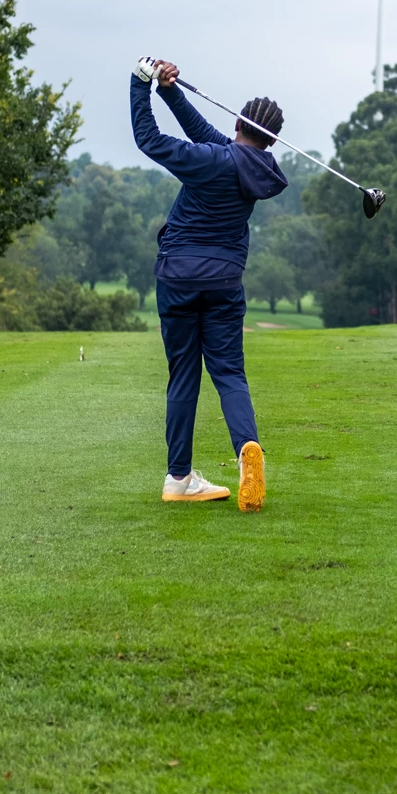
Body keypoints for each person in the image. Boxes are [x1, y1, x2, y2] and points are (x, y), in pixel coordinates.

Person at [129, 57, 288, 510]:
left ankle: (179, 477)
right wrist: (170, 92)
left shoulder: (209, 161)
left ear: (238, 121)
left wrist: (140, 83)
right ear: (271, 139)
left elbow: (149, 140)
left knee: (183, 376)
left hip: (177, 277)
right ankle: (246, 451)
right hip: (224, 283)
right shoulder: (259, 169)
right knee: (230, 374)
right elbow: (214, 139)